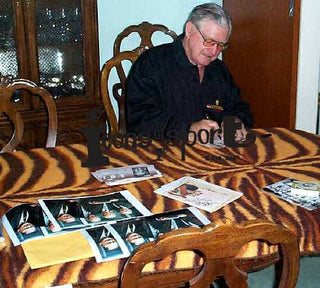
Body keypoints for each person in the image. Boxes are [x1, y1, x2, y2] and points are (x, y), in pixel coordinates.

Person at [126, 3, 253, 143]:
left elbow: (239, 106)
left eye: (221, 45)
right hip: (164, 153)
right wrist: (188, 131)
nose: (214, 52)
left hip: (213, 157)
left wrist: (235, 120)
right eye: (209, 42)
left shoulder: (219, 70)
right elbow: (139, 120)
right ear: (189, 29)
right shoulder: (151, 64)